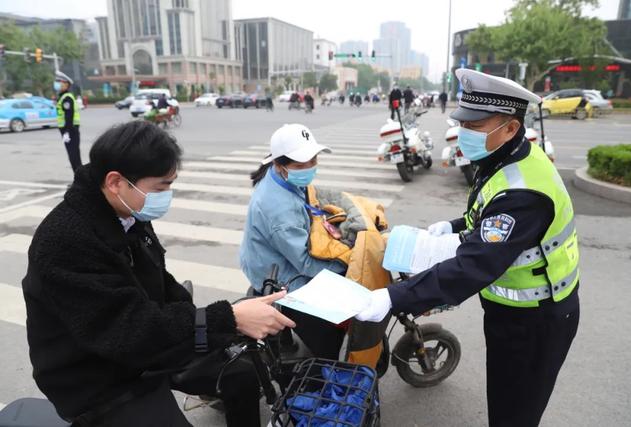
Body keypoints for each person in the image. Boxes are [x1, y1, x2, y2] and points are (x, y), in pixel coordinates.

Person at [22, 121, 295, 427]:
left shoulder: (127, 212)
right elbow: (127, 331)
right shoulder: (65, 242)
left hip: (147, 342)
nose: (167, 195)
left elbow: (161, 283)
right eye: (161, 187)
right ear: (116, 182)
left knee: (240, 374)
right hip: (96, 377)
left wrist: (224, 325)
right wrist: (227, 318)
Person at [357, 69, 580, 427]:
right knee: (503, 399)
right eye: (463, 122)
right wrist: (454, 225)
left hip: (536, 322)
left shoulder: (525, 192)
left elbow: (473, 266)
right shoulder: (505, 156)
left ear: (509, 126)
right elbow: (488, 217)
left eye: (475, 126)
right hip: (510, 313)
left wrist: (393, 297)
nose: (464, 133)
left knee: (514, 412)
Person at [240, 124, 347, 360]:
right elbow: (306, 265)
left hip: (268, 256)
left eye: (313, 161)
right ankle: (324, 366)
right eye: (300, 165)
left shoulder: (280, 176)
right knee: (329, 337)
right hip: (280, 274)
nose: (309, 169)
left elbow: (311, 197)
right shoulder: (279, 209)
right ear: (279, 164)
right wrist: (348, 264)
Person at [54, 71, 81, 173]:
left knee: (74, 156)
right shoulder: (63, 96)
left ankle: (80, 181)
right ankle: (79, 180)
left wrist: (66, 132)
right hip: (69, 130)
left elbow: (68, 116)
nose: (57, 84)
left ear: (66, 84)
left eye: (59, 82)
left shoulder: (67, 98)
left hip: (70, 130)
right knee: (73, 156)